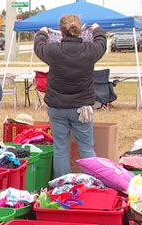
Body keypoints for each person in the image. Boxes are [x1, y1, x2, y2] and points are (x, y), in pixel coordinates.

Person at [33, 15, 107, 178]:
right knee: (87, 148)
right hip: (82, 109)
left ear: (61, 32)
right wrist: (98, 30)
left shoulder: (53, 51)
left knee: (60, 148)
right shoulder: (89, 50)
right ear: (80, 30)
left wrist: (42, 33)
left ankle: (62, 184)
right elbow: (102, 44)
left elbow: (39, 47)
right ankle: (90, 184)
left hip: (57, 108)